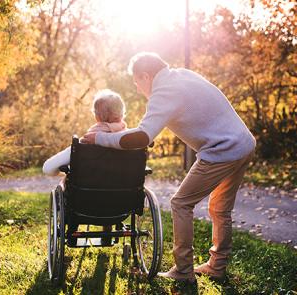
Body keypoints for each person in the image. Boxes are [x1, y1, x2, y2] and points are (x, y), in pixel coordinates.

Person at [81, 52, 256, 283]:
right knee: (220, 208)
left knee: (181, 203)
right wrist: (139, 135)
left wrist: (99, 139)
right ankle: (217, 266)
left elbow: (142, 137)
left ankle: (184, 270)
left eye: (137, 82)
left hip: (222, 151)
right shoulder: (182, 76)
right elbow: (147, 132)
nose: (137, 89)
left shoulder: (163, 92)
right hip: (244, 143)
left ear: (146, 75)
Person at [43, 89, 127, 246]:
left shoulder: (83, 144)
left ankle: (72, 232)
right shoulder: (131, 144)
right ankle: (107, 232)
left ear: (96, 117)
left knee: (68, 184)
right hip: (121, 205)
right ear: (122, 115)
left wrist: (62, 172)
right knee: (109, 186)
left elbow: (48, 168)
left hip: (83, 204)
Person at [43, 89, 127, 176]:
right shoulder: (133, 141)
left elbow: (47, 168)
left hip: (88, 188)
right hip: (128, 189)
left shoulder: (85, 142)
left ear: (97, 116)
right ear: (122, 113)